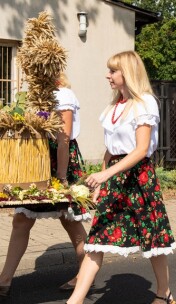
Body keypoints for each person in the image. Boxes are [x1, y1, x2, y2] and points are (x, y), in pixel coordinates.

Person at [66, 51, 176, 304]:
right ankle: (75, 301)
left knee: (152, 238)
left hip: (139, 178)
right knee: (97, 239)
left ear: (128, 73)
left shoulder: (145, 103)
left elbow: (140, 150)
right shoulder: (115, 107)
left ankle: (164, 292)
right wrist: (101, 183)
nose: (108, 75)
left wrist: (105, 173)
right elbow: (111, 149)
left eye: (113, 71)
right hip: (115, 177)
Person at [0, 73, 88, 297]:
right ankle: (5, 280)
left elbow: (63, 139)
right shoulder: (35, 98)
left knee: (69, 220)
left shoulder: (63, 95)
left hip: (61, 163)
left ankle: (86, 274)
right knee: (22, 220)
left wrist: (60, 177)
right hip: (38, 162)